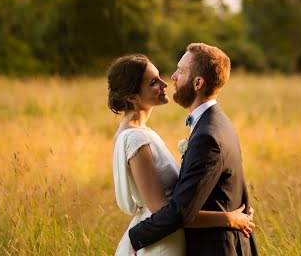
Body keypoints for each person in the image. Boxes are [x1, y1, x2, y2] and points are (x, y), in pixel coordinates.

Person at [108, 52, 255, 256]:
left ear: (198, 83)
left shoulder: (146, 133)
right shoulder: (135, 138)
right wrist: (228, 218)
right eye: (153, 82)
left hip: (172, 236)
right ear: (132, 97)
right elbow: (168, 212)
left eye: (160, 76)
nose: (166, 83)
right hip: (162, 241)